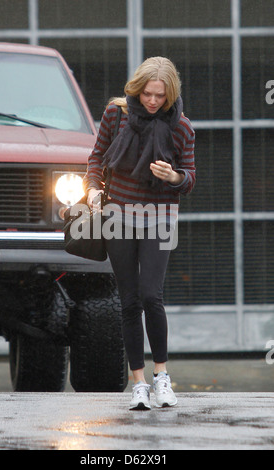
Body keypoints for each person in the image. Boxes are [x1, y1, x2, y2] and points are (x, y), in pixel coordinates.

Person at [83, 56, 196, 410]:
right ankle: (139, 383)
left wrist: (174, 177)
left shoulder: (182, 128)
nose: (152, 101)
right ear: (137, 89)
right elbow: (96, 159)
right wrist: (92, 189)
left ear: (170, 94)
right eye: (147, 93)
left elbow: (190, 177)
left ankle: (162, 377)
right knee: (129, 301)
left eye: (160, 96)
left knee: (152, 295)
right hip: (119, 215)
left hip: (160, 216)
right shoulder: (115, 115)